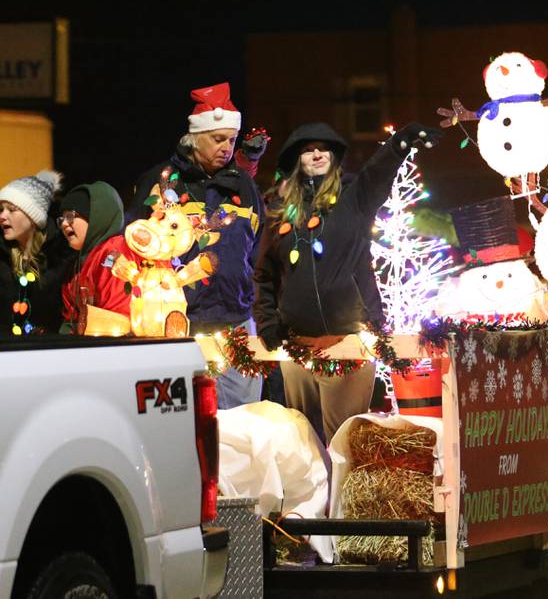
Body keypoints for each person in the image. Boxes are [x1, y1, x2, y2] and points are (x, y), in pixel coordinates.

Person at [253, 121, 441, 443]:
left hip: (349, 344)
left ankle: (340, 496)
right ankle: (312, 496)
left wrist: (399, 144)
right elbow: (264, 273)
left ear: (334, 155)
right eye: (307, 149)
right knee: (303, 442)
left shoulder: (355, 197)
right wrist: (268, 321)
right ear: (296, 160)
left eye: (323, 148)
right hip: (297, 347)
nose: (316, 154)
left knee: (344, 442)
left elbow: (377, 172)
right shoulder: (281, 212)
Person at [126, 82, 267, 409]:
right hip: (179, 325)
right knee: (190, 424)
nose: (227, 147)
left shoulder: (244, 186)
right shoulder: (160, 183)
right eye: (218, 139)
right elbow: (136, 242)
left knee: (245, 423)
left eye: (232, 140)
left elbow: (255, 247)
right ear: (193, 138)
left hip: (236, 324)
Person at [0, 170, 75, 335]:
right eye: (1, 210)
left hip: (47, 352)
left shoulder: (60, 256)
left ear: (33, 217)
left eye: (11, 210)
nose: (2, 216)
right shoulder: (3, 257)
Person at [59, 181, 133, 334]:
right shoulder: (76, 266)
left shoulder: (113, 254)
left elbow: (117, 317)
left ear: (96, 216)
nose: (64, 224)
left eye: (71, 216)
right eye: (61, 219)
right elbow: (70, 319)